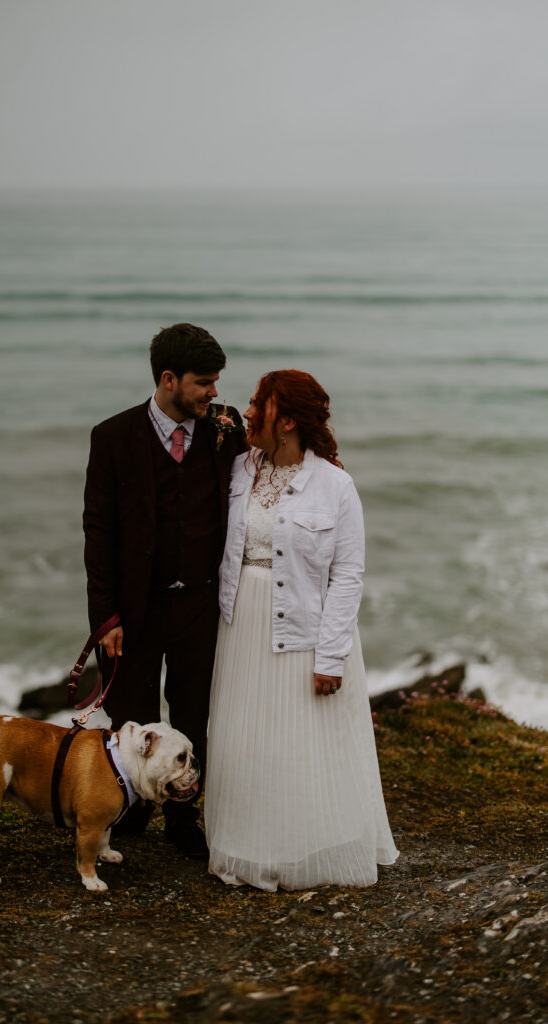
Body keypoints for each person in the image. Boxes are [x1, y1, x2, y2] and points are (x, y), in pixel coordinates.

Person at [205, 369, 398, 889]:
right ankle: (247, 847)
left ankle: (301, 853)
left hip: (304, 631)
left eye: (255, 405)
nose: (245, 412)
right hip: (240, 624)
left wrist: (330, 657)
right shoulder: (240, 468)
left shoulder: (335, 485)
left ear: (285, 420)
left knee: (302, 744)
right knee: (246, 741)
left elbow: (348, 576)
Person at [83, 323, 246, 859]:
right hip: (136, 607)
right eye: (204, 382)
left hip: (200, 602)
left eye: (216, 381)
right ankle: (130, 803)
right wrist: (106, 617)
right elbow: (98, 531)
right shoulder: (112, 437)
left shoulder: (225, 427)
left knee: (194, 709)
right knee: (130, 713)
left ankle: (181, 814)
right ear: (169, 379)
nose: (215, 393)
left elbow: (268, 467)